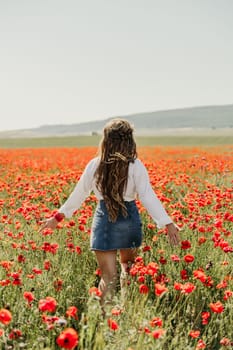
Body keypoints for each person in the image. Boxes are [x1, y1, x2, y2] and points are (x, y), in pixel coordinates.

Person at [39, 118, 180, 312]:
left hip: (103, 221)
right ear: (129, 140)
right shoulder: (135, 166)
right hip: (128, 220)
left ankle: (105, 321)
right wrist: (167, 223)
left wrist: (58, 217)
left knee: (108, 277)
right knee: (128, 270)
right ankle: (127, 313)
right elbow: (147, 196)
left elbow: (79, 194)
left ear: (105, 140)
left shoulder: (94, 165)